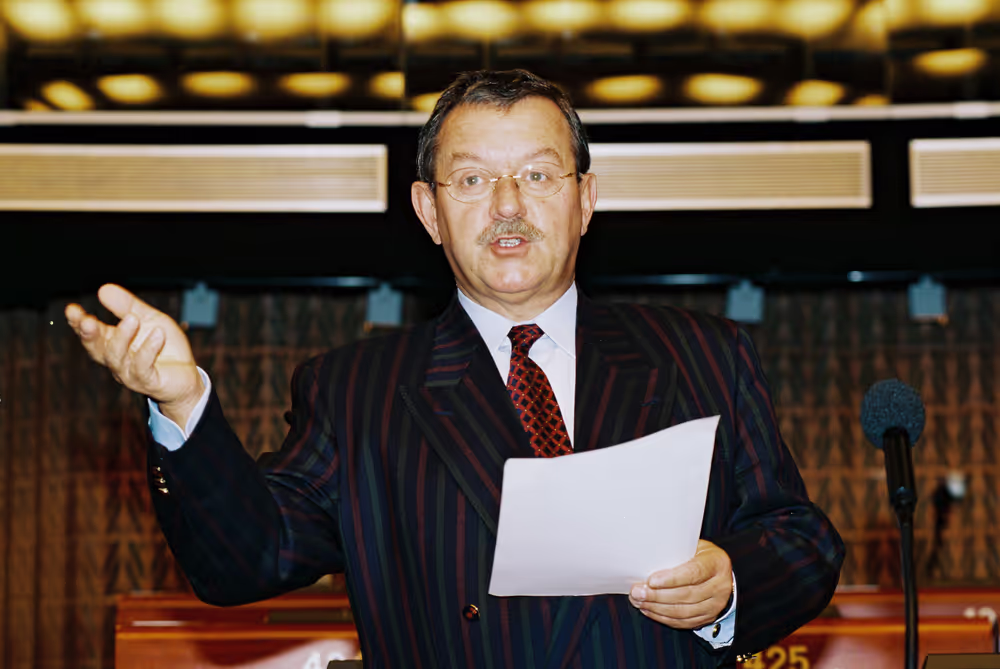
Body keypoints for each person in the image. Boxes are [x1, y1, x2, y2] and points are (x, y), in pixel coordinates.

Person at [65, 69, 844, 668]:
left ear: (585, 200)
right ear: (429, 212)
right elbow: (244, 558)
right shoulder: (355, 391)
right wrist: (182, 402)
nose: (509, 204)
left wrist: (731, 580)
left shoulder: (703, 354)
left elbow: (801, 538)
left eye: (539, 176)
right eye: (472, 180)